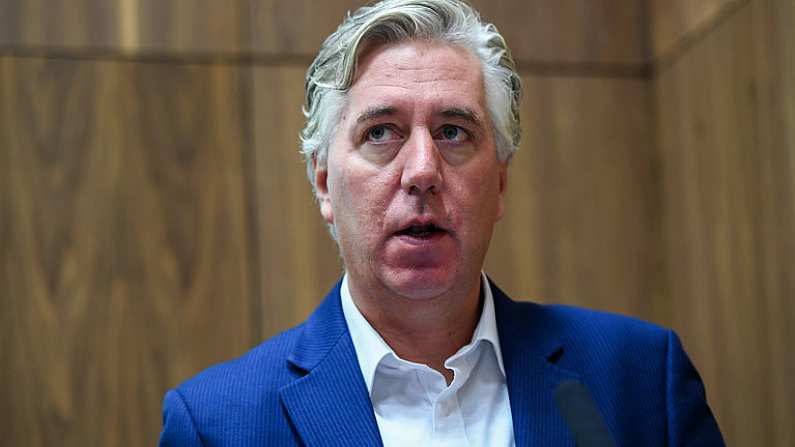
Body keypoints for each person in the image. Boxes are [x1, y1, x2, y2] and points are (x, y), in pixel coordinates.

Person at [159, 0, 724, 445]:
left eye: (454, 131)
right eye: (381, 132)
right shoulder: (218, 424)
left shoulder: (640, 380)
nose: (423, 170)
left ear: (499, 181)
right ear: (325, 183)